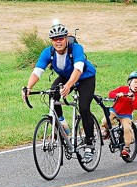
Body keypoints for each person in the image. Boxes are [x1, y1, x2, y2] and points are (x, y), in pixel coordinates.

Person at [21, 23, 97, 162]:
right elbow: (37, 71)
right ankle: (62, 123)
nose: (58, 41)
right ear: (51, 41)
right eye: (55, 39)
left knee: (84, 107)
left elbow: (79, 69)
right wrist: (29, 87)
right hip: (66, 76)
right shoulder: (48, 52)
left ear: (66, 38)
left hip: (85, 77)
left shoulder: (76, 49)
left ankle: (89, 144)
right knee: (53, 94)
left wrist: (68, 86)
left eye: (61, 38)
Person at [101, 71, 137, 157]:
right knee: (105, 121)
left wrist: (133, 99)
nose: (136, 85)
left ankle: (126, 148)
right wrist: (117, 94)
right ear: (130, 82)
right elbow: (110, 94)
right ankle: (107, 131)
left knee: (127, 128)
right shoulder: (122, 88)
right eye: (135, 82)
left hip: (126, 115)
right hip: (115, 111)